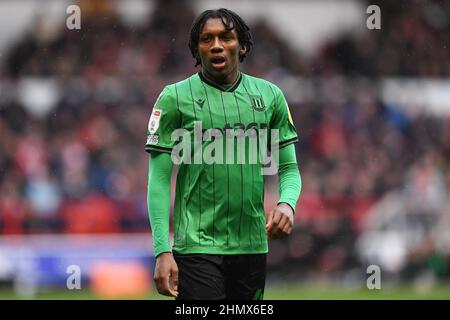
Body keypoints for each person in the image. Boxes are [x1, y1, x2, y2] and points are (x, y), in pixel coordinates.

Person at [145, 8, 302, 300]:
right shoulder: (173, 98)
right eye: (207, 39)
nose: (216, 45)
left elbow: (289, 168)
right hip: (196, 247)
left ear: (241, 46)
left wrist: (287, 204)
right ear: (197, 49)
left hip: (253, 246)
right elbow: (159, 179)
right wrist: (162, 250)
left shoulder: (271, 96)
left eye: (226, 37)